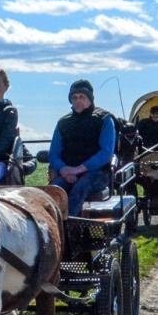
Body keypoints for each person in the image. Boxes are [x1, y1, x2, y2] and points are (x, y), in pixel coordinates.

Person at [49, 79, 116, 216]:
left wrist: (79, 169)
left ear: (90, 98)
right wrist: (63, 169)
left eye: (82, 97)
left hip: (97, 173)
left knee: (78, 190)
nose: (78, 100)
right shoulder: (63, 123)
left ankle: (71, 231)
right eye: (74, 97)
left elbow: (106, 152)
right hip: (67, 173)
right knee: (53, 192)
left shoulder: (104, 119)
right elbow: (54, 153)